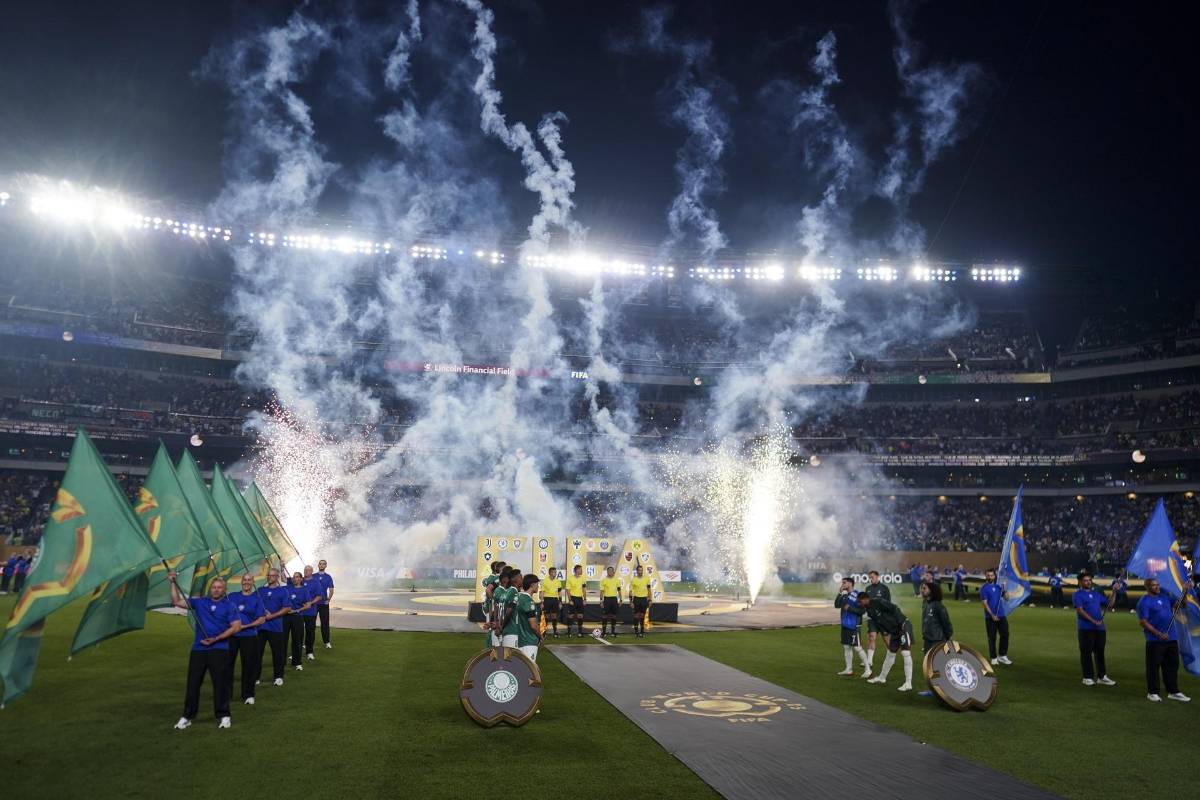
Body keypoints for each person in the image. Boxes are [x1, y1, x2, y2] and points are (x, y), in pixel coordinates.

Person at [167, 572, 241, 730]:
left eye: (219, 587)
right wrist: (173, 582)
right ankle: (187, 716)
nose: (216, 590)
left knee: (220, 684)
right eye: (213, 587)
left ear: (224, 589)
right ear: (210, 589)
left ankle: (224, 715)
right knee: (193, 684)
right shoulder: (200, 602)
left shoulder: (229, 605)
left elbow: (236, 627)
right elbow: (177, 601)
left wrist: (217, 639)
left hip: (219, 649)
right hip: (199, 649)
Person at [1136, 578, 1190, 702]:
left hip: (1171, 638)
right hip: (1155, 640)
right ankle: (1152, 692)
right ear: (1147, 587)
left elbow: (1182, 604)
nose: (1157, 587)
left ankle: (1173, 691)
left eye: (1158, 584)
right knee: (1153, 667)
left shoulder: (1164, 597)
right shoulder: (1144, 602)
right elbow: (1143, 622)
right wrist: (1158, 634)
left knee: (1172, 665)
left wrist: (1185, 591)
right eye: (1154, 585)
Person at [858, 592, 914, 692]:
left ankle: (908, 683)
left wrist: (900, 623)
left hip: (903, 626)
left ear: (865, 599)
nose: (859, 603)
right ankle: (882, 678)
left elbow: (894, 608)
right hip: (894, 631)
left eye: (860, 601)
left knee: (905, 653)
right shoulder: (869, 611)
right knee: (890, 653)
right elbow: (879, 623)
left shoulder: (878, 602)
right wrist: (886, 632)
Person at [227, 573, 267, 706]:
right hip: (232, 636)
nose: (247, 582)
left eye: (249, 580)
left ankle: (248, 694)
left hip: (249, 636)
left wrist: (245, 626)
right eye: (245, 580)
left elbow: (261, 618)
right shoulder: (232, 596)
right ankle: (226, 694)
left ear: (253, 582)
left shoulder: (257, 599)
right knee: (227, 666)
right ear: (241, 582)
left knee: (249, 666)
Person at [1073, 571, 1114, 687]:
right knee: (1086, 653)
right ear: (1080, 582)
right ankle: (1087, 677)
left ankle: (1102, 676)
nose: (1088, 582)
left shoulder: (1096, 594)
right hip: (1086, 628)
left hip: (1100, 628)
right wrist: (1093, 621)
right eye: (1085, 580)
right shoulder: (1077, 594)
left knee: (1100, 652)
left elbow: (1110, 604)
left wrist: (1114, 591)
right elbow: (1080, 611)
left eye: (1089, 580)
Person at [256, 568, 292, 687]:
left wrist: (272, 616)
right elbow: (254, 604)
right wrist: (261, 611)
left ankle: (278, 677)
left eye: (272, 576)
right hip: (260, 627)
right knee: (257, 653)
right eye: (268, 575)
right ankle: (255, 677)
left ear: (277, 577)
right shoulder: (260, 590)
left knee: (278, 654)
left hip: (275, 628)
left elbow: (287, 608)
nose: (270, 577)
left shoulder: (283, 591)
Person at [919, 581, 953, 697]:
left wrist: (946, 639)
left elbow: (947, 625)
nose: (922, 590)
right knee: (928, 667)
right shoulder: (925, 603)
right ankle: (933, 690)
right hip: (927, 640)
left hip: (937, 641)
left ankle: (944, 690)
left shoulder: (938, 606)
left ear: (931, 591)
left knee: (938, 666)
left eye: (924, 588)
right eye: (922, 588)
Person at [501, 574, 543, 662]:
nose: (538, 586)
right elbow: (533, 626)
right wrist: (540, 636)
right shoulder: (528, 601)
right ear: (532, 585)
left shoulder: (519, 597)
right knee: (529, 670)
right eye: (537, 584)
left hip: (520, 640)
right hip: (529, 641)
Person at [833, 577, 870, 677]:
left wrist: (850, 608)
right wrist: (840, 593)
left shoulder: (857, 595)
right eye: (842, 583)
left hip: (854, 625)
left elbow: (862, 611)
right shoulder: (845, 595)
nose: (843, 584)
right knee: (846, 647)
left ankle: (868, 669)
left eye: (844, 583)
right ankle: (848, 669)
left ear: (850, 584)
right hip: (845, 624)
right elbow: (836, 605)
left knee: (857, 647)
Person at [284, 572, 315, 670]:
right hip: (285, 617)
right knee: (283, 640)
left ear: (301, 579)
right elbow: (283, 578)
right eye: (294, 577)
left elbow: (308, 605)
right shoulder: (288, 587)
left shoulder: (304, 590)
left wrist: (296, 610)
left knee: (297, 640)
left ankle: (297, 663)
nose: (295, 578)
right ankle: (281, 661)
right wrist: (281, 567)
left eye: (297, 577)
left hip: (297, 617)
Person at [980, 568, 1012, 665]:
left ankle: (1002, 655)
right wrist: (992, 615)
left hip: (1001, 615)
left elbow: (1007, 598)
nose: (990, 577)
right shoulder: (984, 588)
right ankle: (993, 657)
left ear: (995, 576)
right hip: (990, 617)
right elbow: (985, 604)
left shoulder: (999, 587)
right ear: (986, 576)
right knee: (992, 637)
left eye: (991, 575)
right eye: (988, 575)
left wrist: (1005, 589)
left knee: (1005, 635)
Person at [863, 570, 891, 674]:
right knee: (871, 637)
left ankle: (890, 658)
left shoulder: (884, 588)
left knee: (887, 640)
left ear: (878, 577)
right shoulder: (868, 589)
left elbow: (888, 604)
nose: (871, 579)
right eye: (870, 577)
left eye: (872, 577)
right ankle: (869, 661)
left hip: (883, 619)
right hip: (872, 619)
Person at [482, 560, 507, 646]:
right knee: (492, 626)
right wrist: (494, 599)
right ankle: (490, 647)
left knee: (495, 625)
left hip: (494, 606)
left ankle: (493, 646)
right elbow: (488, 589)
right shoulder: (496, 578)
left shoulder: (497, 578)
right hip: (493, 606)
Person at [300, 565, 322, 661]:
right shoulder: (300, 580)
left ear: (311, 572)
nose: (306, 571)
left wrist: (310, 603)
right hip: (299, 612)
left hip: (310, 612)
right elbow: (284, 579)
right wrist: (282, 567)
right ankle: (297, 653)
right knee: (298, 634)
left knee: (310, 633)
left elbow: (319, 596)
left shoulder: (316, 582)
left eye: (308, 570)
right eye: (305, 570)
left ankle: (309, 652)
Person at [314, 559, 335, 649]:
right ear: (318, 565)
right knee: (310, 624)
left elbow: (331, 590)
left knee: (325, 624)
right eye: (320, 564)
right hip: (314, 603)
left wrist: (328, 599)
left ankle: (327, 642)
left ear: (326, 566)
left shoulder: (328, 577)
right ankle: (308, 642)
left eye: (323, 564)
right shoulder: (313, 576)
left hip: (323, 603)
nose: (322, 565)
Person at [599, 565, 622, 638]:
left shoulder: (617, 580)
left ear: (613, 572)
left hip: (614, 599)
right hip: (607, 599)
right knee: (605, 616)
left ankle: (613, 632)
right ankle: (604, 632)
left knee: (614, 616)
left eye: (611, 571)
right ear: (607, 572)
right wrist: (601, 601)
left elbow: (619, 590)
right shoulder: (603, 580)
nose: (610, 572)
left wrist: (620, 600)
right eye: (609, 571)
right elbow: (601, 591)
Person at [628, 564, 651, 638]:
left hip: (644, 599)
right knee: (636, 616)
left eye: (641, 570)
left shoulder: (646, 579)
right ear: (637, 571)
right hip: (636, 599)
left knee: (642, 616)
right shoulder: (633, 580)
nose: (640, 571)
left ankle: (642, 631)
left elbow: (649, 590)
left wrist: (650, 599)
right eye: (639, 570)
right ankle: (636, 631)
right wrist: (631, 601)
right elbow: (631, 591)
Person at [541, 567, 563, 638]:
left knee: (554, 616)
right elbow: (542, 592)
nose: (555, 573)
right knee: (546, 616)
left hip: (555, 600)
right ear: (550, 573)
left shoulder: (558, 581)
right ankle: (544, 632)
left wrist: (560, 602)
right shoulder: (545, 581)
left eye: (555, 572)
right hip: (547, 599)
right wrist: (542, 602)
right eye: (553, 572)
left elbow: (559, 592)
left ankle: (555, 632)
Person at [566, 564, 587, 638]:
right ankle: (569, 633)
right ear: (576, 570)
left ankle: (580, 633)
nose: (582, 571)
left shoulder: (583, 579)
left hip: (580, 599)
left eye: (581, 569)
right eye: (580, 569)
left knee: (580, 616)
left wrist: (584, 599)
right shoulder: (570, 579)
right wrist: (570, 600)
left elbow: (584, 589)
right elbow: (568, 590)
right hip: (573, 598)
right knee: (571, 615)